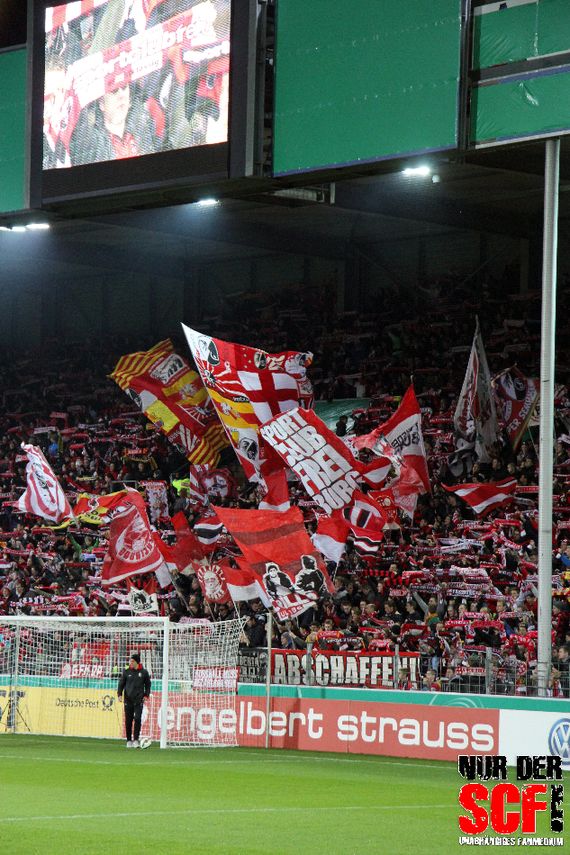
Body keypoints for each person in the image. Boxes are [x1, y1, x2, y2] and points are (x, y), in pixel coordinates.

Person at [117, 653, 151, 748]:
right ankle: (128, 740)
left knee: (137, 719)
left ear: (137, 662)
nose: (130, 663)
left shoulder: (144, 672)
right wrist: (119, 694)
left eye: (132, 661)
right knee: (128, 720)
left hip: (138, 700)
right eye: (130, 661)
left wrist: (146, 695)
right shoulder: (126, 672)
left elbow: (148, 685)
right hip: (128, 699)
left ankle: (136, 739)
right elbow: (121, 684)